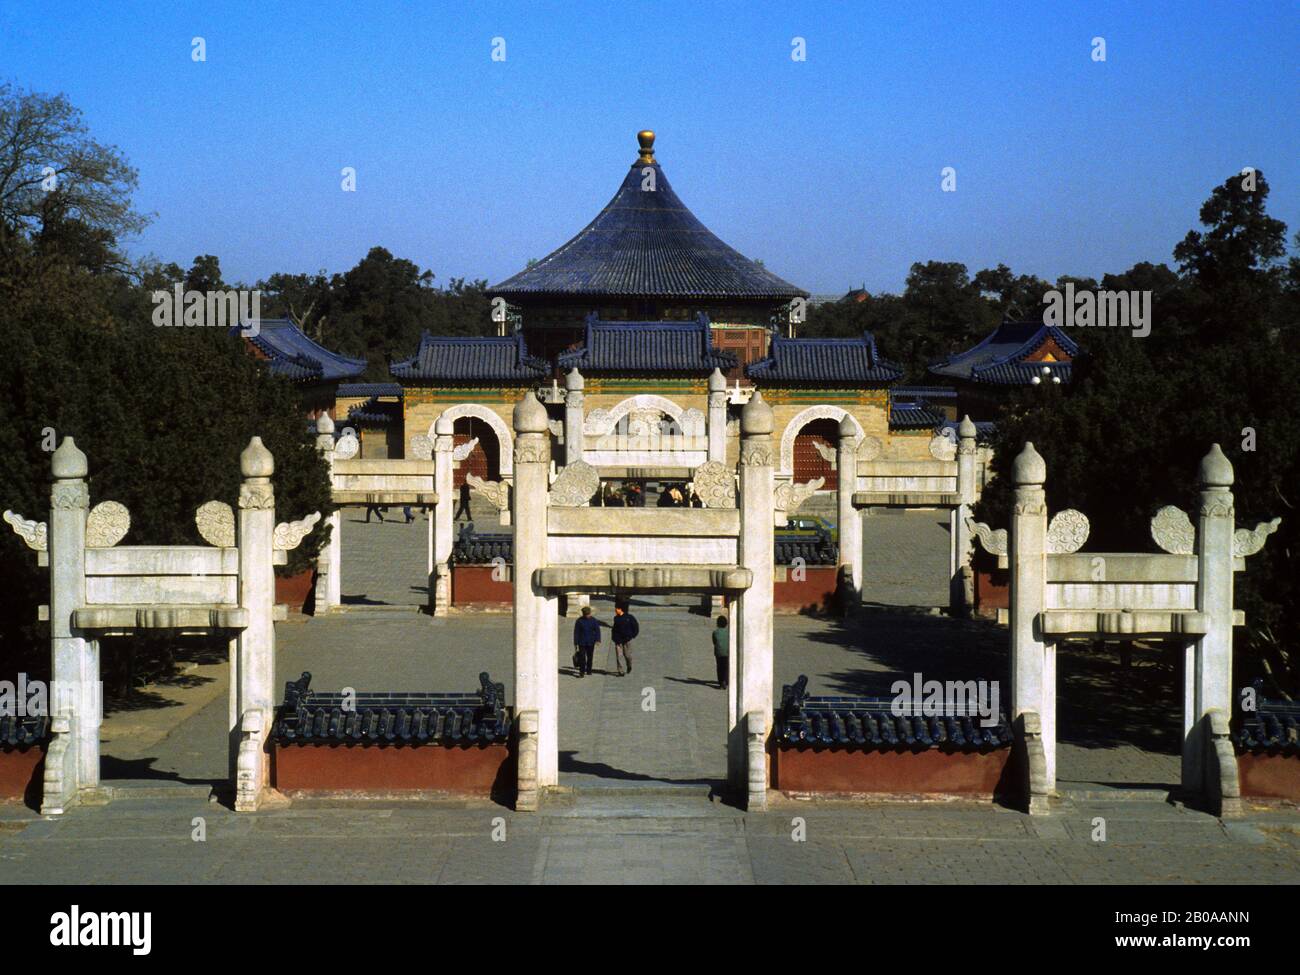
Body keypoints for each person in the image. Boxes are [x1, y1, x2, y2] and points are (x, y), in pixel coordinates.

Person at [572, 606, 601, 678]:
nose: (588, 615)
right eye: (587, 614)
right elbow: (576, 632)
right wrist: (575, 642)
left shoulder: (594, 620)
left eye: (589, 614)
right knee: (582, 657)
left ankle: (589, 670)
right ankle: (581, 672)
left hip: (591, 642)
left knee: (590, 657)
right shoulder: (579, 621)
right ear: (584, 614)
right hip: (581, 642)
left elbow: (597, 630)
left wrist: (598, 640)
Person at [611, 604, 639, 676]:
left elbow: (635, 626)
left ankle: (629, 666)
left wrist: (632, 635)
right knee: (619, 656)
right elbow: (614, 629)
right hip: (618, 640)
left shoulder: (629, 617)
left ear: (621, 609)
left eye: (617, 609)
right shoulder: (616, 618)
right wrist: (614, 637)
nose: (615, 610)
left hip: (627, 640)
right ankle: (620, 671)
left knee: (627, 655)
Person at [711, 615, 729, 689]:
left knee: (719, 667)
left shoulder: (715, 632)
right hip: (727, 652)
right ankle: (726, 680)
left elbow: (714, 642)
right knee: (726, 667)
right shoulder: (728, 632)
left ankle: (721, 682)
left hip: (718, 652)